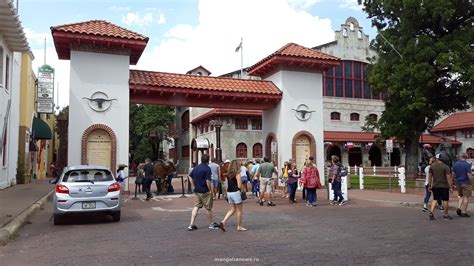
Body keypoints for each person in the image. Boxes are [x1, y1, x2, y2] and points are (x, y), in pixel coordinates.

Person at [188, 154, 220, 231]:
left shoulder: (196, 168)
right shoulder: (207, 168)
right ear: (208, 160)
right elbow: (208, 181)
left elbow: (190, 176)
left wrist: (193, 185)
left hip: (197, 190)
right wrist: (210, 190)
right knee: (208, 208)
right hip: (205, 190)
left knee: (196, 206)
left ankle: (191, 224)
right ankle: (211, 223)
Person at [219, 160, 247, 232]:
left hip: (229, 193)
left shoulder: (228, 174)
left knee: (232, 209)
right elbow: (239, 185)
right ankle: (239, 226)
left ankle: (223, 221)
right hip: (236, 192)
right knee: (239, 210)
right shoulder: (237, 174)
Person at [428, 154, 453, 220]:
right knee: (445, 200)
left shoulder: (432, 166)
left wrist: (429, 185)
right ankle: (445, 214)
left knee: (435, 199)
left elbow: (430, 177)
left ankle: (431, 212)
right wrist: (450, 187)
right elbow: (448, 178)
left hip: (435, 185)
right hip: (444, 186)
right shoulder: (446, 167)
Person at [452, 152, 472, 217]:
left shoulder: (455, 164)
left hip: (458, 182)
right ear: (466, 157)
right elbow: (469, 175)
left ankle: (458, 207)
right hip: (466, 182)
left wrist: (453, 181)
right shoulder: (467, 165)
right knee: (466, 197)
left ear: (460, 157)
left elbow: (453, 174)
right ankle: (464, 212)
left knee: (460, 196)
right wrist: (472, 182)